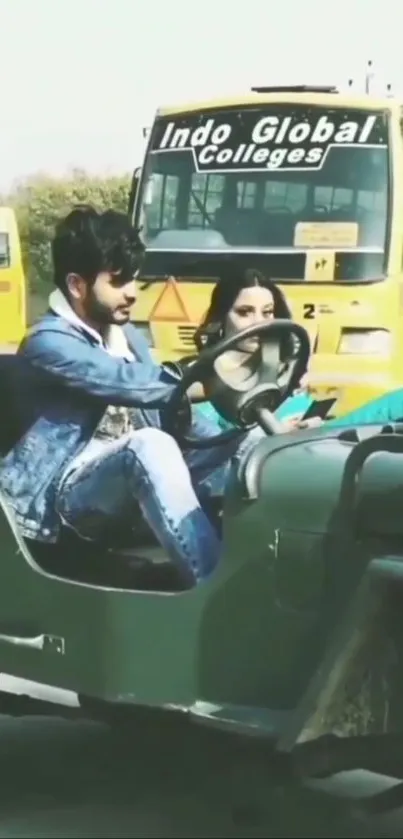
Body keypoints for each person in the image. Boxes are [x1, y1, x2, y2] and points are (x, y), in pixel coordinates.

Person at [0, 206, 255, 588]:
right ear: (76, 285)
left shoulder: (128, 338)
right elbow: (129, 382)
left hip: (122, 483)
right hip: (64, 498)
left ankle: (274, 581)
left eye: (134, 280)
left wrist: (235, 438)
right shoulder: (48, 343)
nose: (133, 294)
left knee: (253, 446)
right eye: (118, 282)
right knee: (148, 447)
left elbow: (171, 415)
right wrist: (214, 379)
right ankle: (216, 592)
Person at [193, 267, 318, 432]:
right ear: (221, 317)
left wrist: (310, 425)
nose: (258, 322)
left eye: (267, 312)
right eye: (244, 312)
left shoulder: (286, 369)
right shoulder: (200, 376)